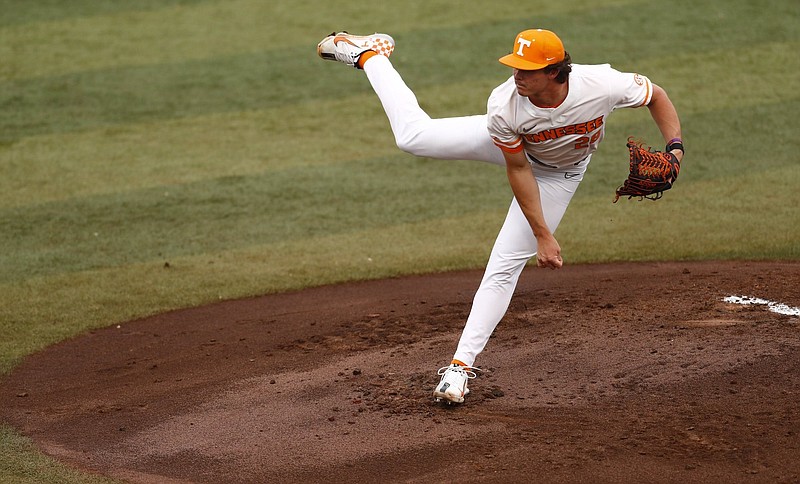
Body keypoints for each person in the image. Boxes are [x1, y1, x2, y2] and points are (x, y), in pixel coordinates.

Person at [317, 29, 683, 404]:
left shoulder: (601, 84)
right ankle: (370, 55)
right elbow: (520, 170)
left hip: (562, 174)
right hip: (517, 153)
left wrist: (675, 151)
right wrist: (543, 234)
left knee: (504, 264)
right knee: (412, 138)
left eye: (527, 70)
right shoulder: (505, 104)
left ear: (556, 72)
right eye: (515, 67)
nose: (517, 76)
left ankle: (459, 368)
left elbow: (656, 95)